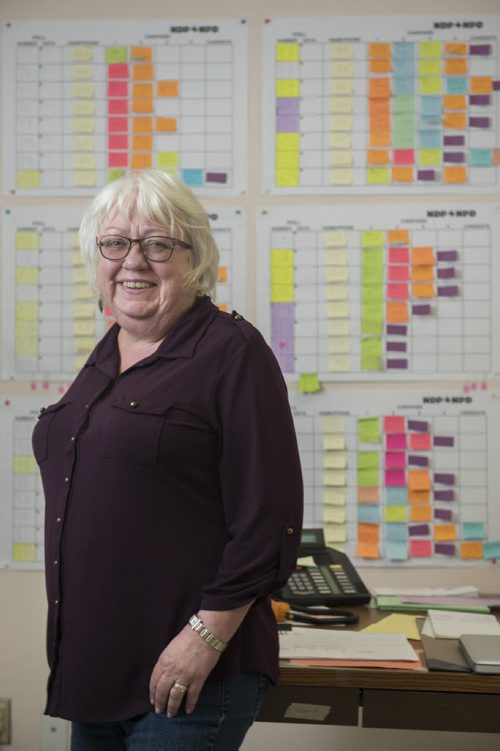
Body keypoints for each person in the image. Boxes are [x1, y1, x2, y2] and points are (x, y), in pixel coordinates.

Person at [32, 169, 303, 750]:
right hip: (97, 670)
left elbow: (269, 518)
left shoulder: (232, 351)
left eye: (158, 244)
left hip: (189, 676)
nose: (133, 261)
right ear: (95, 256)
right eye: (115, 243)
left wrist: (205, 637)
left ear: (194, 257)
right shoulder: (108, 352)